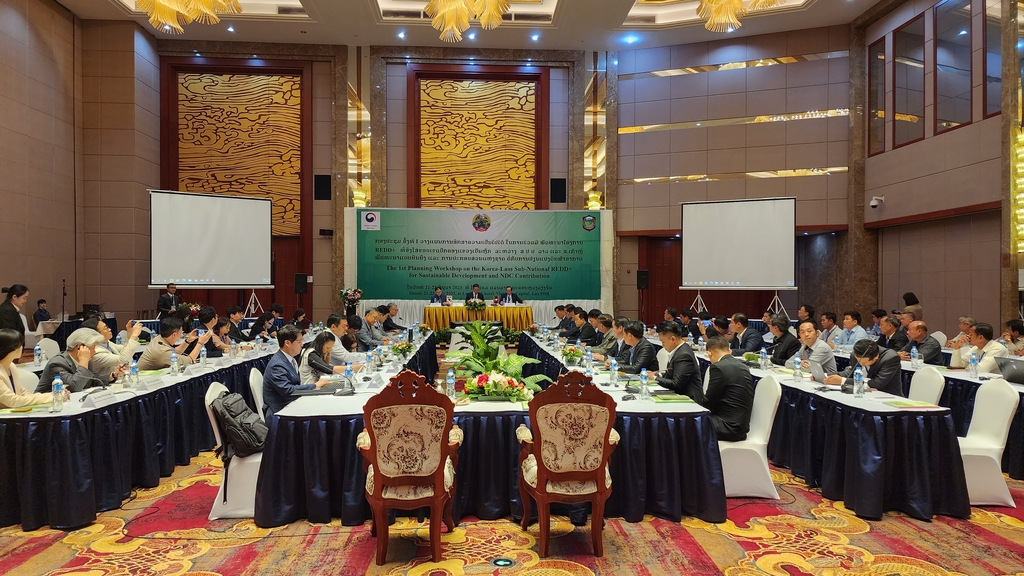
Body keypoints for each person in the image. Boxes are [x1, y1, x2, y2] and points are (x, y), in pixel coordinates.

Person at [262, 325, 329, 418]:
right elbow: (288, 391)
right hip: (280, 412)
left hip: (290, 403)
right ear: (287, 343)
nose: (302, 344)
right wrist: (315, 386)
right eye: (299, 341)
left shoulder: (290, 359)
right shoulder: (277, 365)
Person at [700, 336, 756, 441]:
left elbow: (708, 402)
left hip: (727, 427)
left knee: (688, 422)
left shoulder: (718, 367)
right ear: (729, 350)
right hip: (741, 426)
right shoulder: (742, 366)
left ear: (709, 353)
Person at [36, 328, 124, 392]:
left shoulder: (86, 361)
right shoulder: (57, 364)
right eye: (93, 347)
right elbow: (75, 387)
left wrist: (113, 375)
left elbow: (93, 380)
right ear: (80, 347)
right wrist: (83, 362)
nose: (95, 351)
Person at [824, 339, 903, 397]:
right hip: (862, 394)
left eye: (864, 363)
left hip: (887, 397)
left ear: (876, 357)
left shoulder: (890, 358)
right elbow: (851, 372)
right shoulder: (855, 354)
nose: (861, 364)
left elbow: (878, 383)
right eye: (859, 361)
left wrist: (843, 381)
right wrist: (827, 375)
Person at [0, 329, 53, 407]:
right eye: (20, 344)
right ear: (12, 348)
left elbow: (23, 394)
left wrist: (53, 395)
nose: (22, 347)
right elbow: (13, 401)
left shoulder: (11, 366)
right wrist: (50, 397)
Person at [137, 316, 211, 370]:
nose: (182, 334)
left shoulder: (158, 338)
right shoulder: (162, 351)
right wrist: (200, 343)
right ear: (174, 334)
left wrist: (188, 340)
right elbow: (189, 360)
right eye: (181, 332)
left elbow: (174, 352)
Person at [651, 321, 702, 399]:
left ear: (673, 339)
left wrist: (654, 378)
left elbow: (677, 384)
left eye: (663, 342)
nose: (662, 345)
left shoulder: (684, 355)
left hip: (689, 401)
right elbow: (673, 374)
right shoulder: (679, 350)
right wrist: (659, 375)